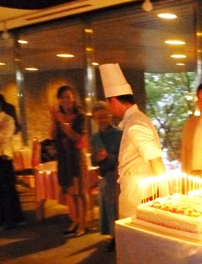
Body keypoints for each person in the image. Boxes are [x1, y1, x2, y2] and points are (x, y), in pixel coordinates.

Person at [98, 63, 166, 219]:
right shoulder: (135, 120)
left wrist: (166, 196)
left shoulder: (136, 125)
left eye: (108, 103)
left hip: (138, 196)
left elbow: (155, 160)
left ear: (113, 100)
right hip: (135, 192)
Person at [50, 85, 89, 237]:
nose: (65, 100)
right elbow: (52, 135)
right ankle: (76, 220)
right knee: (71, 192)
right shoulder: (58, 115)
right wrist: (54, 119)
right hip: (64, 158)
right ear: (59, 100)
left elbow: (76, 137)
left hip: (77, 158)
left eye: (68, 96)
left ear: (73, 98)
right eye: (62, 97)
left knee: (80, 192)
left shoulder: (80, 115)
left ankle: (83, 224)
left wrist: (62, 122)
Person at [89, 101, 122, 251]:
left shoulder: (118, 134)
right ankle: (113, 236)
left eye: (105, 116)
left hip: (116, 175)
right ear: (94, 119)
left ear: (110, 116)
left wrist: (107, 157)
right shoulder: (95, 137)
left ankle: (118, 238)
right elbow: (93, 160)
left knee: (116, 207)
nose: (102, 120)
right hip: (103, 176)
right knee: (107, 207)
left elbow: (123, 156)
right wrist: (98, 158)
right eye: (99, 117)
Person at [0, 92, 26, 230]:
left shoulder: (7, 119)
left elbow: (5, 138)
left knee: (8, 189)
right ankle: (1, 217)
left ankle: (14, 218)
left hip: (3, 158)